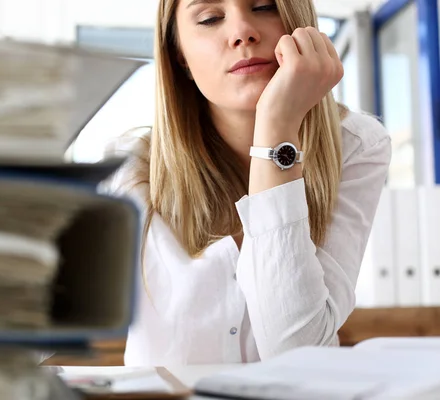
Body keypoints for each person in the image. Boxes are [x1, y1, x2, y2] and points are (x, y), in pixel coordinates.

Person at [103, 0, 391, 366]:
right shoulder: (127, 170)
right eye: (210, 18)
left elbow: (298, 359)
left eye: (264, 6)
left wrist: (276, 129)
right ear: (180, 56)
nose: (242, 32)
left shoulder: (357, 145)